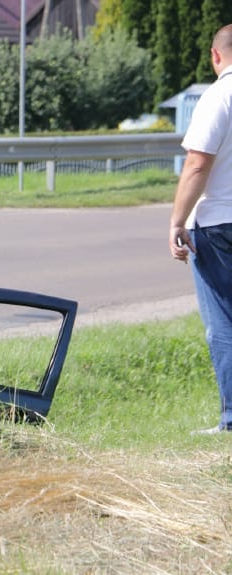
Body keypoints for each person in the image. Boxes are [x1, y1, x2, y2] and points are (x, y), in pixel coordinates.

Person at [170, 23, 232, 434]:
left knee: (223, 325)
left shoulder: (218, 97)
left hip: (218, 225)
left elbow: (197, 164)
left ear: (215, 56)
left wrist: (177, 219)